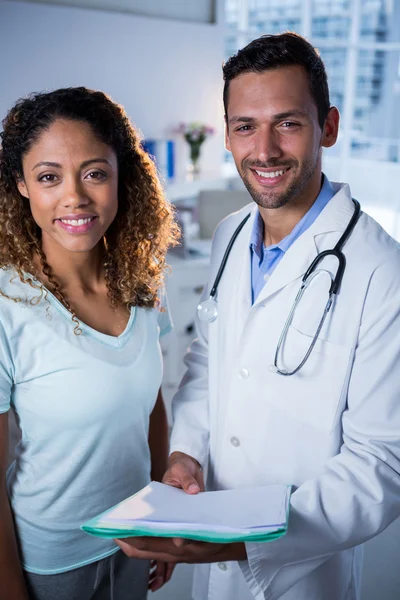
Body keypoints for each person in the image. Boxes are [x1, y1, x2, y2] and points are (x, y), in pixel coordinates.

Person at [115, 33, 400, 600]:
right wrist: (185, 454)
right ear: (226, 134)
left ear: (330, 127)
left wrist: (234, 542)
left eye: (288, 123)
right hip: (211, 545)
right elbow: (207, 363)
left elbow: (382, 466)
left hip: (302, 572)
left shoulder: (380, 270)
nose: (264, 149)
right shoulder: (231, 234)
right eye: (245, 126)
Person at [0, 87, 179, 600]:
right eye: (49, 177)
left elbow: (149, 406)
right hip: (50, 565)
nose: (75, 196)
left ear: (123, 176)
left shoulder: (142, 282)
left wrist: (160, 518)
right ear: (22, 187)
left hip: (132, 543)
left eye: (95, 173)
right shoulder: (7, 305)